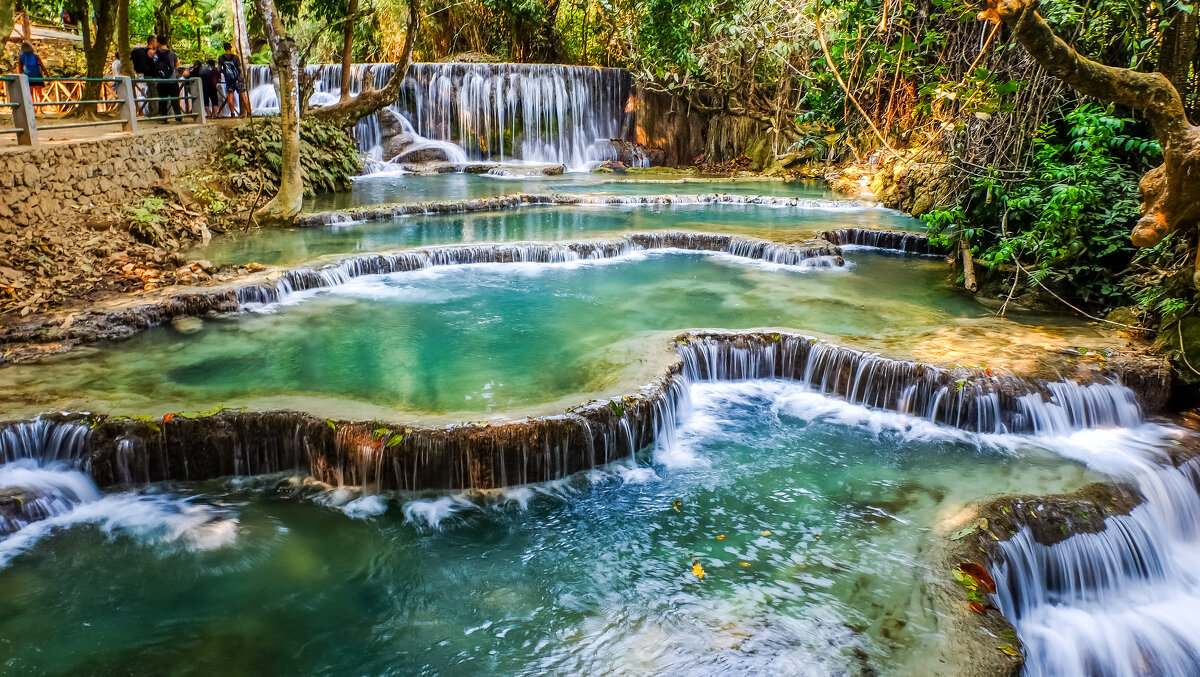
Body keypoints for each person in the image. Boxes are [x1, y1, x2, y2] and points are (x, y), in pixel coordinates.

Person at [218, 42, 251, 118]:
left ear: (224, 49)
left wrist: (225, 72)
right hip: (237, 79)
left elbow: (219, 69)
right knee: (243, 96)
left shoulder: (221, 58)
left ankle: (232, 114)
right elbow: (239, 68)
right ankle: (249, 112)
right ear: (230, 48)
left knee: (230, 97)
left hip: (229, 80)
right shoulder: (235, 58)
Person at [155, 36, 182, 122]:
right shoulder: (172, 54)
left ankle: (164, 118)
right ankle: (178, 117)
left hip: (162, 81)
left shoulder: (156, 54)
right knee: (175, 100)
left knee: (163, 100)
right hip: (173, 80)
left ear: (158, 43)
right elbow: (176, 66)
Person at [130, 35, 159, 115]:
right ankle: (155, 113)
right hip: (152, 76)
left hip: (147, 75)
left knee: (150, 93)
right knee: (154, 94)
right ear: (152, 42)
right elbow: (156, 63)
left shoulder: (144, 51)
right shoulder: (151, 52)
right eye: (156, 42)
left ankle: (151, 111)